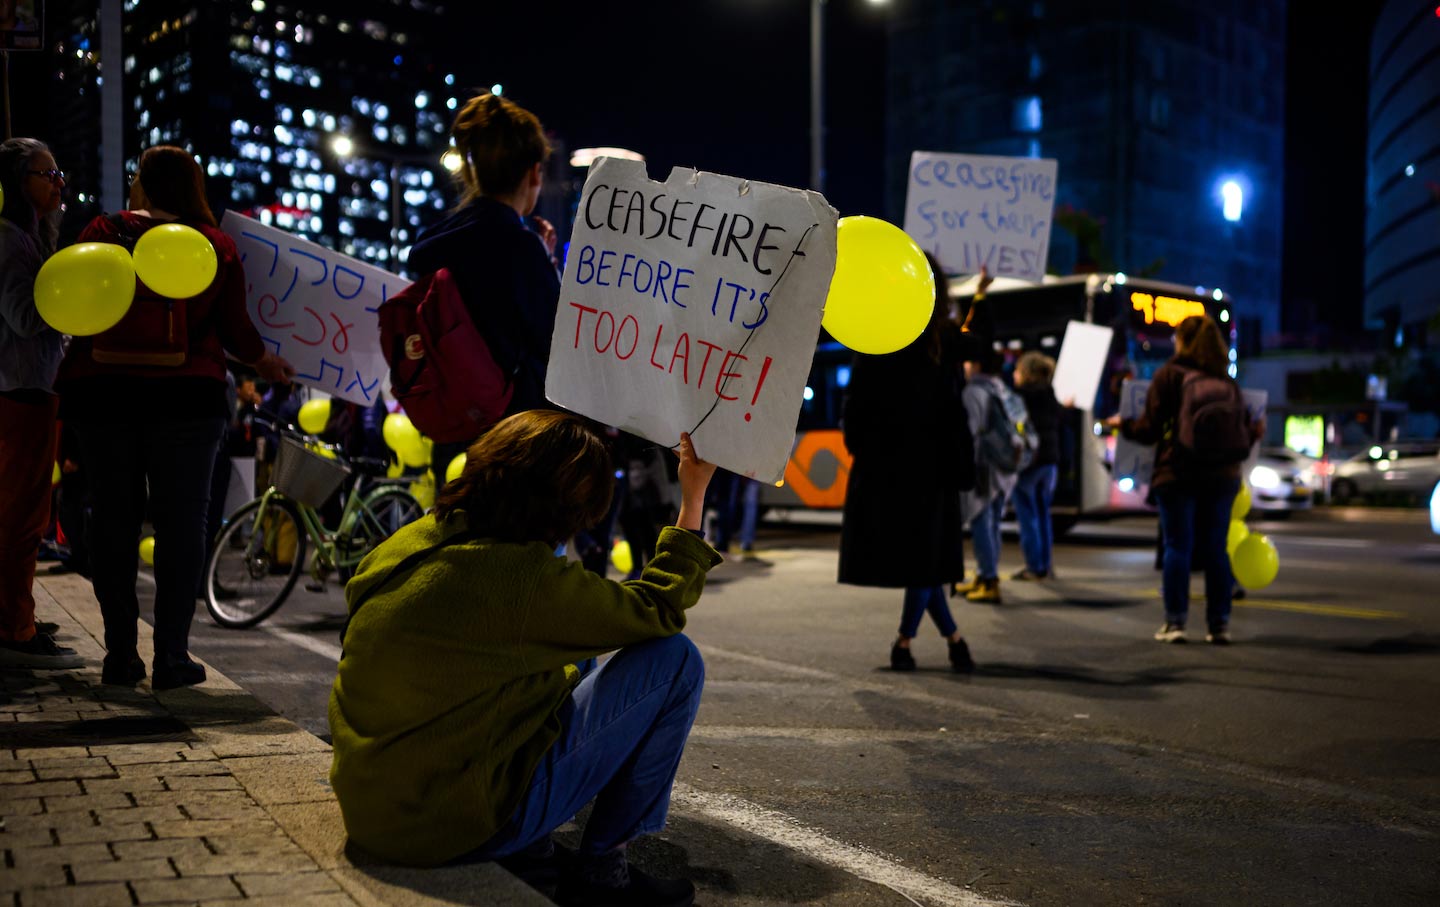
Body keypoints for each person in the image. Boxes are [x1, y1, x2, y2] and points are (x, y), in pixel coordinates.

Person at [329, 411, 719, 907]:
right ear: (565, 510)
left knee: (573, 661)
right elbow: (658, 608)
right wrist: (693, 495)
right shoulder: (521, 579)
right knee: (676, 661)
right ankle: (602, 871)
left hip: (371, 809)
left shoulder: (407, 543)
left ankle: (532, 845)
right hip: (445, 828)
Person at [55, 145, 294, 689]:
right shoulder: (214, 245)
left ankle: (119, 655)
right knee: (182, 525)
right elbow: (236, 332)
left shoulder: (102, 229)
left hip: (104, 393)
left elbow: (77, 302)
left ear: (142, 184)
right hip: (188, 396)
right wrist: (267, 362)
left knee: (113, 520)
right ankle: (171, 657)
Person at [408, 92, 561, 474]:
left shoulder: (435, 243)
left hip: (451, 435)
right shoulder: (520, 247)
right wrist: (544, 262)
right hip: (513, 442)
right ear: (533, 173)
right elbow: (556, 343)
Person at [838, 257, 977, 673]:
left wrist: (863, 453)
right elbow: (980, 347)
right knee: (926, 560)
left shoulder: (879, 338)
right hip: (935, 470)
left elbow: (857, 410)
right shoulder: (944, 339)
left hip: (889, 471)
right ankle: (941, 642)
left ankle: (923, 642)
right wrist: (982, 294)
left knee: (923, 562)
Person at [1106, 315, 1262, 644]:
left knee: (1178, 546)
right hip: (1223, 477)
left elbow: (1148, 431)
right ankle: (1219, 624)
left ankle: (1175, 622)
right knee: (1217, 550)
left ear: (1182, 341)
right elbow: (1244, 436)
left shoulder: (1169, 377)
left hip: (1178, 473)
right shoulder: (1226, 381)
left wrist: (1124, 424)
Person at [0, 137, 82, 668]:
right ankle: (15, 630)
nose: (58, 185)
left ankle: (16, 615)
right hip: (20, 396)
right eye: (46, 175)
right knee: (20, 518)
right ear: (15, 181)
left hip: (31, 394)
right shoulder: (11, 241)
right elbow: (25, 317)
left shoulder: (27, 239)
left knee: (24, 515)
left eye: (59, 176)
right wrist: (70, 301)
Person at [957, 347, 1021, 605]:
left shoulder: (974, 390)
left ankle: (988, 579)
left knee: (981, 522)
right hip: (1003, 467)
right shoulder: (1001, 389)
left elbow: (970, 432)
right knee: (992, 522)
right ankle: (985, 575)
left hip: (983, 467)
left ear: (976, 365)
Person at [1011, 351, 1062, 580]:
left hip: (1030, 462)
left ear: (1026, 373)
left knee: (1027, 516)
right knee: (1043, 515)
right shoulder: (1051, 395)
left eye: (1018, 370)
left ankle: (1034, 566)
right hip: (1050, 462)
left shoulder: (1020, 396)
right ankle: (1046, 564)